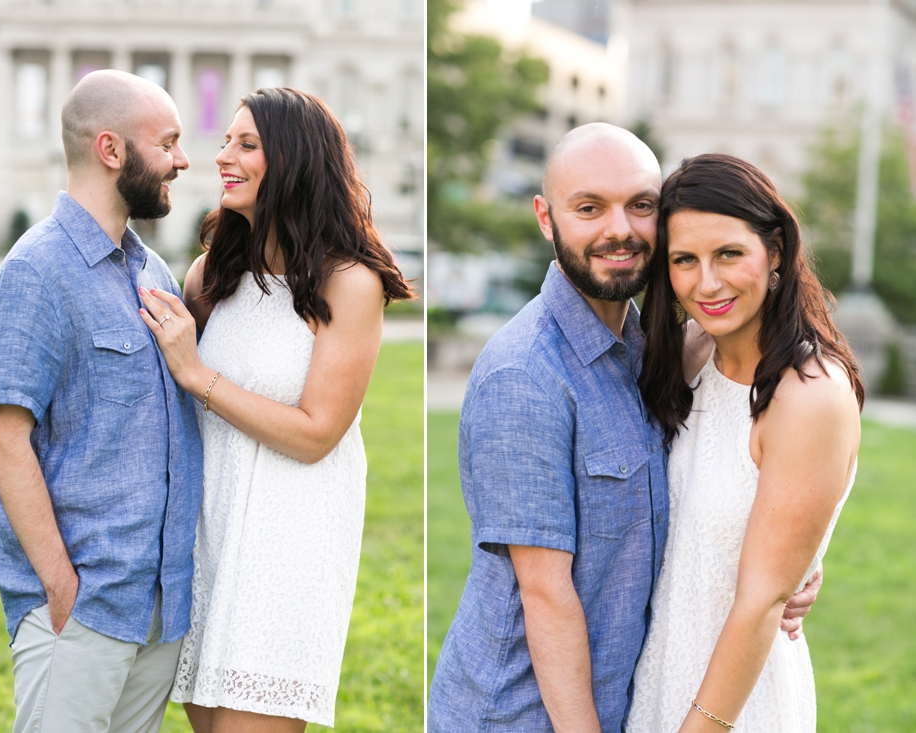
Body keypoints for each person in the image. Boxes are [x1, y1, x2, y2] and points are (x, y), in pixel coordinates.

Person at [427, 124, 819, 733]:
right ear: (546, 218)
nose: (620, 229)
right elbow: (546, 594)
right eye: (589, 208)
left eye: (640, 205)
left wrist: (794, 563)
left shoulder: (655, 352)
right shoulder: (524, 373)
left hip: (631, 701)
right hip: (524, 715)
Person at [137, 87, 413, 732]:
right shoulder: (211, 276)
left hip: (288, 546)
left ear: (292, 160)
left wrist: (196, 373)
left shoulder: (350, 283)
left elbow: (318, 433)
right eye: (227, 140)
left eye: (247, 143)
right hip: (209, 532)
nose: (223, 156)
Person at [0, 70, 201, 733]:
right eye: (168, 142)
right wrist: (59, 585)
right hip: (82, 608)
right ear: (111, 150)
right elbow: (5, 437)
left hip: (156, 608)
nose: (183, 159)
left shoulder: (152, 273)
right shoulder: (34, 272)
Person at [627, 153, 863, 732]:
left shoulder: (809, 395)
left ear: (775, 251)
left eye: (729, 253)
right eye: (685, 260)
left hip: (736, 704)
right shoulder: (689, 355)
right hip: (656, 677)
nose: (707, 283)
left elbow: (759, 603)